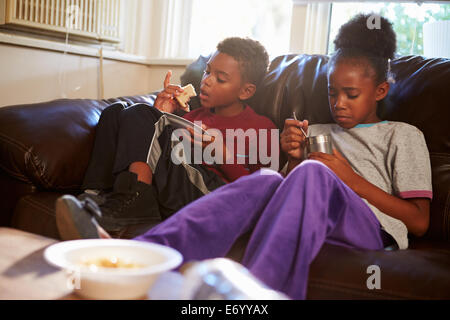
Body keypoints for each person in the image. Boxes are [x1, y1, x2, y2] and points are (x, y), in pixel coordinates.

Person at [57, 14, 433, 300]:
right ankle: (136, 259)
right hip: (317, 216)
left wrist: (346, 178)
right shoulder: (317, 131)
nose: (338, 104)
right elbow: (290, 193)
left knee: (314, 176)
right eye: (333, 93)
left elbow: (418, 223)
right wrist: (293, 156)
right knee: (269, 179)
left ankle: (253, 293)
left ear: (380, 89)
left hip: (371, 229)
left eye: (351, 94)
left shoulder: (402, 135)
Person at [56, 37, 278, 240]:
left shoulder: (262, 128)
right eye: (207, 72)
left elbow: (267, 191)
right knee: (115, 111)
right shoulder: (193, 116)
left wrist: (223, 156)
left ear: (246, 91)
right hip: (176, 182)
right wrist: (161, 113)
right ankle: (94, 196)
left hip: (214, 195)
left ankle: (135, 198)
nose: (207, 81)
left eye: (220, 79)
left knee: (145, 115)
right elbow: (160, 150)